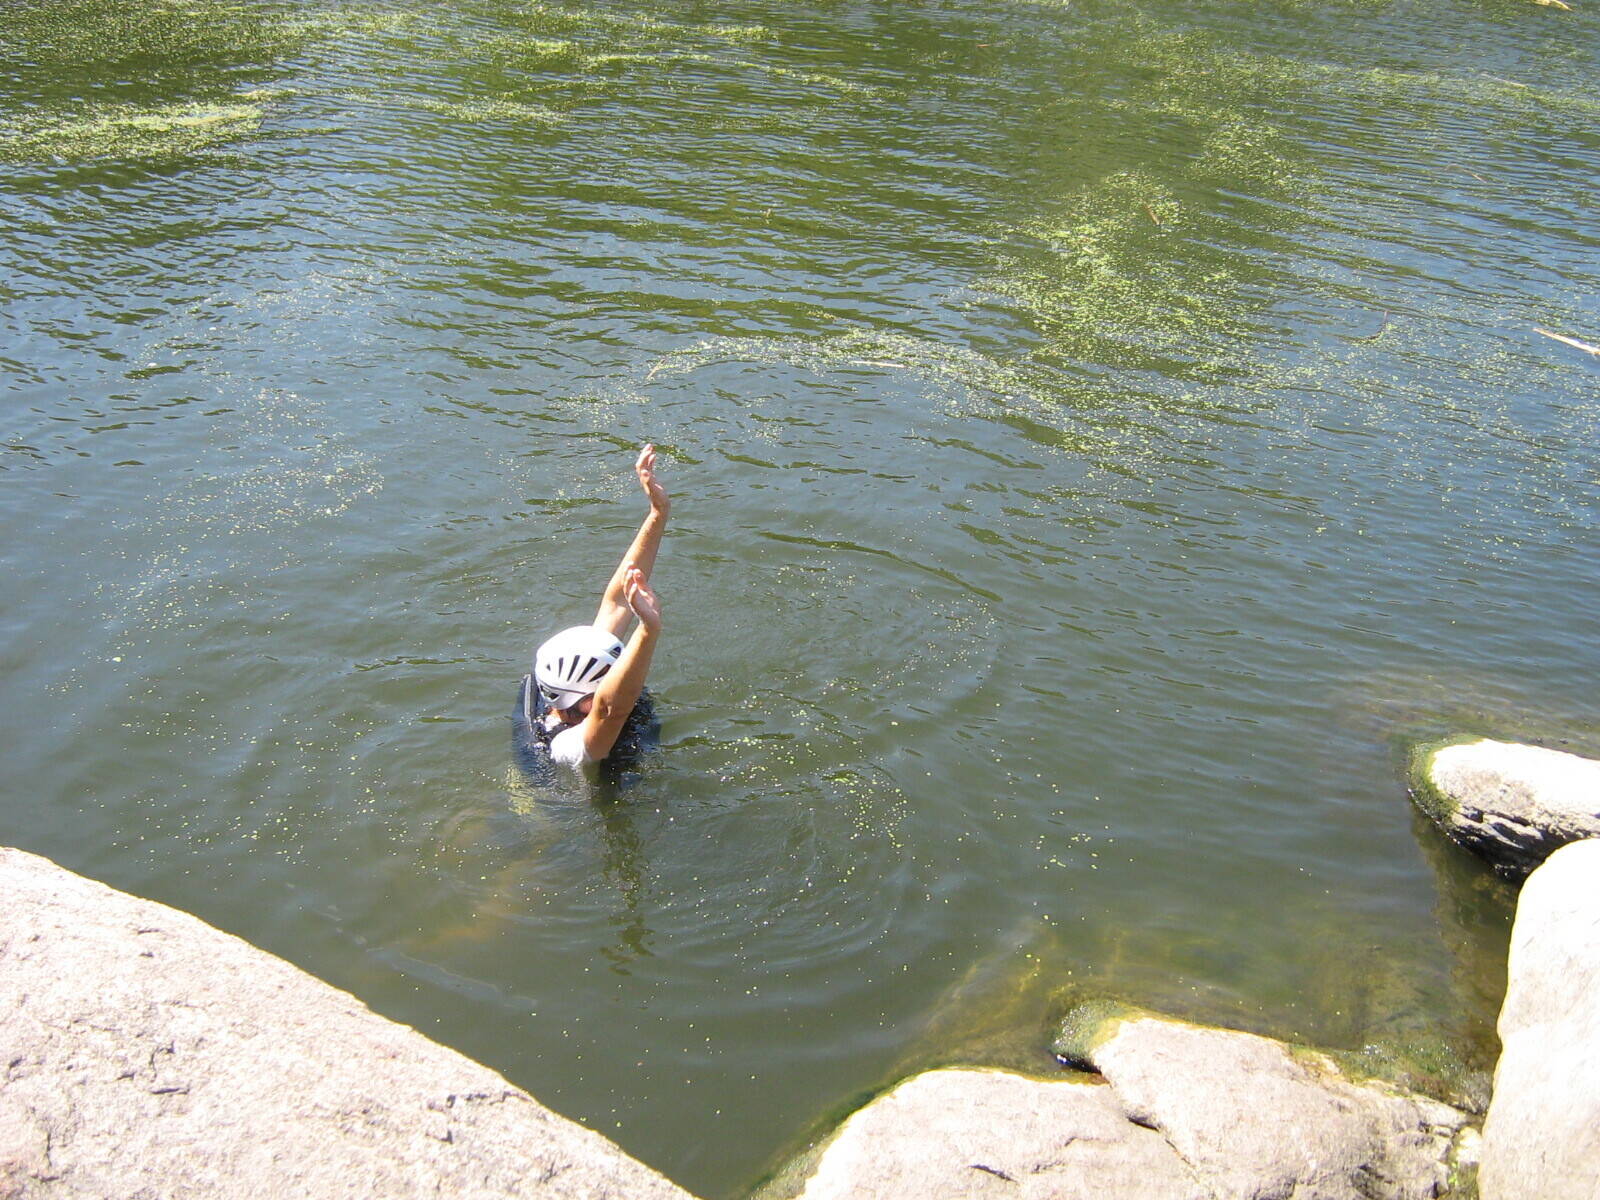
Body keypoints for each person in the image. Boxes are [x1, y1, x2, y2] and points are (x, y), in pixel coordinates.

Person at [521, 444, 667, 770]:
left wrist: (657, 514)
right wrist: (649, 630)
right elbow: (611, 711)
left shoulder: (574, 682)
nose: (621, 672)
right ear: (586, 703)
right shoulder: (570, 747)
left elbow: (616, 602)